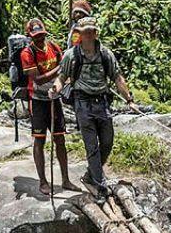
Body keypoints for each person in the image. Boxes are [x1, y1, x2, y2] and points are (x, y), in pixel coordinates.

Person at [51, 16, 132, 202]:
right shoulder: (72, 55)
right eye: (84, 32)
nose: (88, 35)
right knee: (91, 146)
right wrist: (55, 88)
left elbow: (117, 77)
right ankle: (99, 185)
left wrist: (129, 99)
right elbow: (62, 77)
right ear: (79, 34)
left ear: (95, 33)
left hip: (102, 102)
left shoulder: (105, 54)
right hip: (82, 103)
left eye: (91, 31)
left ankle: (90, 175)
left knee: (107, 141)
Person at [19, 19, 74, 195]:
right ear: (30, 36)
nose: (40, 39)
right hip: (38, 100)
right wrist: (60, 68)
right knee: (39, 140)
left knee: (60, 139)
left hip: (54, 98)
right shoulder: (27, 54)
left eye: (42, 35)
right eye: (36, 37)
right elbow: (37, 79)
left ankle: (65, 179)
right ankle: (43, 181)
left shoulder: (54, 47)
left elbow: (65, 69)